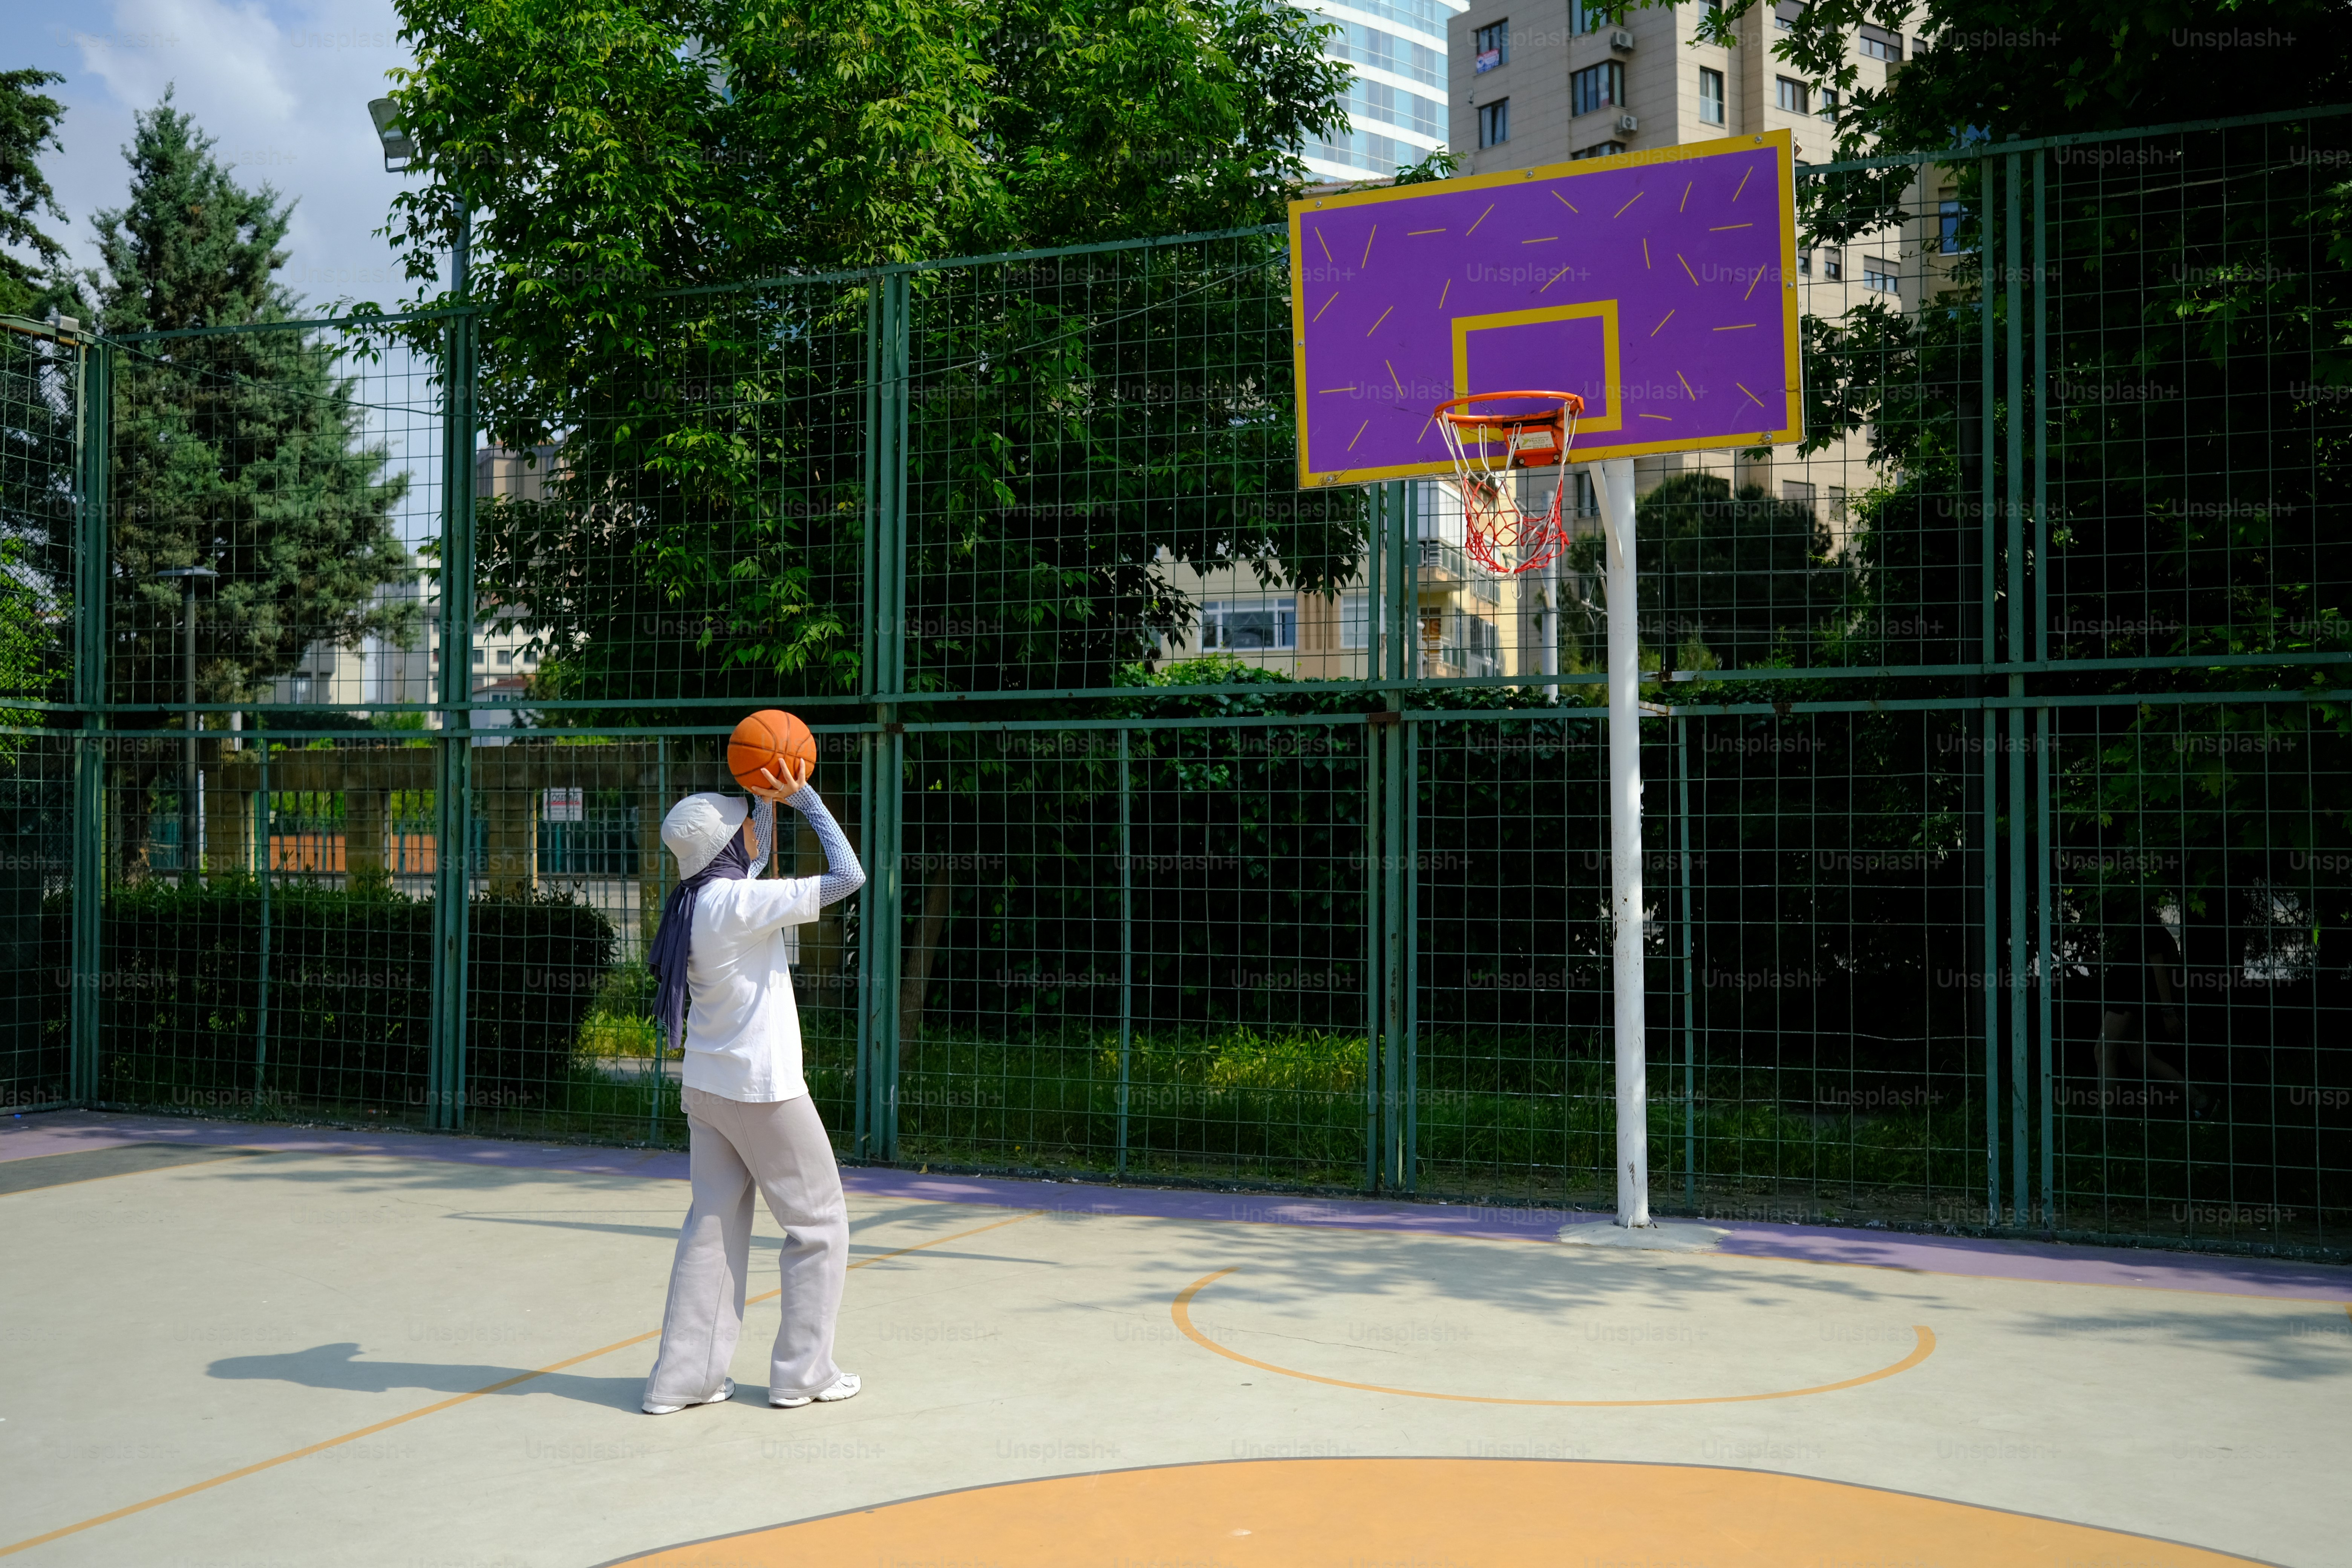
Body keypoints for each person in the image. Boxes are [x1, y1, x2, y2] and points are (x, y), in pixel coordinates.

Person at [640, 756, 866, 1415]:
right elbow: (848, 877)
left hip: (707, 1088)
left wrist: (762, 795)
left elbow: (755, 854)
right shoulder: (742, 903)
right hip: (764, 1092)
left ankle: (682, 1381)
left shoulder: (694, 899)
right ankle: (803, 1375)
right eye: (744, 826)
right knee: (819, 1225)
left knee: (711, 1230)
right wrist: (806, 799)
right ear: (727, 847)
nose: (752, 833)